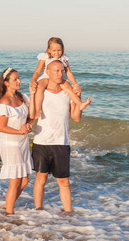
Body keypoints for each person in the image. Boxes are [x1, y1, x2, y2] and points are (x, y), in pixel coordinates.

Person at [32, 59, 86, 213]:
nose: (60, 73)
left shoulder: (67, 92)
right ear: (47, 72)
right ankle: (38, 211)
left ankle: (68, 214)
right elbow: (34, 113)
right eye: (56, 70)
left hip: (61, 142)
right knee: (40, 179)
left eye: (62, 71)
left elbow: (76, 117)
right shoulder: (41, 91)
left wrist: (78, 98)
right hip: (41, 142)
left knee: (64, 182)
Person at [0, 67, 36, 215]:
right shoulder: (4, 103)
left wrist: (29, 124)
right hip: (10, 144)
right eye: (15, 79)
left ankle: (7, 205)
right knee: (15, 181)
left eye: (19, 78)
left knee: (24, 180)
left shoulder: (22, 97)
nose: (19, 81)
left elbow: (32, 115)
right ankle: (9, 214)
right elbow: (1, 127)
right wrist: (19, 130)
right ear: (6, 83)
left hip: (23, 142)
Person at [30, 37, 91, 119]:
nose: (57, 53)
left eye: (59, 50)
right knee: (40, 88)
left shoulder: (63, 58)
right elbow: (37, 71)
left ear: (63, 49)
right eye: (54, 50)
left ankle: (80, 104)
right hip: (46, 76)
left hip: (59, 77)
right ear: (49, 50)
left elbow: (68, 72)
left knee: (69, 89)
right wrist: (33, 80)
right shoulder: (45, 57)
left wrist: (74, 84)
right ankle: (37, 110)